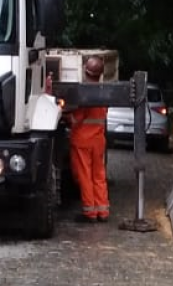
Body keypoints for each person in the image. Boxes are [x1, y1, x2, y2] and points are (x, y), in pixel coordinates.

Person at [69, 56, 110, 223]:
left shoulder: (85, 93)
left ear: (86, 72)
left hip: (82, 141)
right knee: (99, 175)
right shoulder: (104, 93)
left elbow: (76, 119)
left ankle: (90, 212)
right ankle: (103, 211)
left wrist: (66, 115)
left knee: (85, 176)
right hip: (98, 141)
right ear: (100, 74)